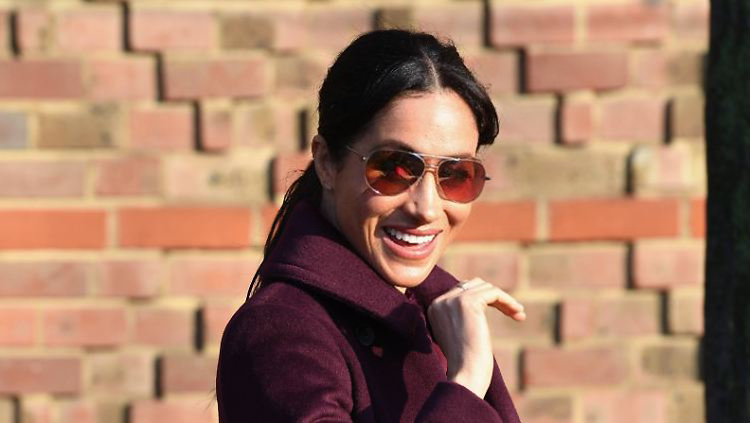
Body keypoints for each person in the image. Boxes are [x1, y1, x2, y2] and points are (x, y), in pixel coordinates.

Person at [216, 29, 526, 423]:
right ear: (326, 162)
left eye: (455, 174)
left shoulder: (439, 314)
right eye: (394, 168)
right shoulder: (281, 331)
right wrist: (465, 383)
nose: (427, 208)